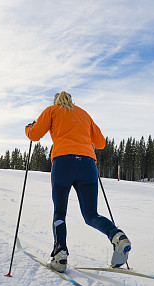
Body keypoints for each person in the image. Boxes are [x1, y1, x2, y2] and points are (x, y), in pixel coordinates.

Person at [25, 91, 131, 272]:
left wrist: (29, 126)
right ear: (72, 101)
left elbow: (34, 135)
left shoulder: (51, 111)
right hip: (87, 165)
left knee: (60, 212)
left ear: (56, 101)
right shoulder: (84, 114)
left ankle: (60, 255)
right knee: (91, 215)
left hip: (63, 163)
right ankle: (117, 236)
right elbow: (101, 143)